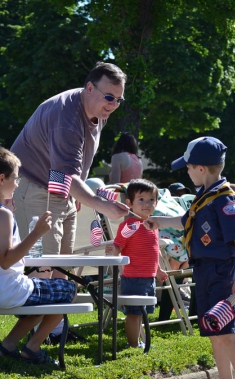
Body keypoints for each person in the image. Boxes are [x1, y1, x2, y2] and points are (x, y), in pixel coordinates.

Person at [11, 61, 130, 340]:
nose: (113, 105)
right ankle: (23, 340)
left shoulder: (97, 107)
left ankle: (56, 331)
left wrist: (73, 194)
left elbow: (73, 166)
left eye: (119, 99)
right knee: (45, 265)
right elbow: (63, 171)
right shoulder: (67, 118)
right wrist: (99, 204)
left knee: (63, 266)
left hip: (58, 188)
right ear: (89, 88)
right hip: (33, 186)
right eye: (109, 97)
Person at [144, 136, 235, 379]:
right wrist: (159, 221)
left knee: (228, 333)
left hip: (223, 273)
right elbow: (187, 219)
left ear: (202, 168)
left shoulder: (225, 198)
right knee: (215, 331)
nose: (186, 170)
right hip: (205, 270)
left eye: (188, 166)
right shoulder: (205, 194)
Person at [0, 147, 76, 365]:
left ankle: (8, 346)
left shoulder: (4, 212)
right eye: (15, 178)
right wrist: (37, 233)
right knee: (68, 289)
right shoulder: (3, 215)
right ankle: (33, 348)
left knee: (42, 293)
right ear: (2, 178)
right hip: (9, 290)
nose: (17, 183)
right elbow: (5, 260)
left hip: (8, 288)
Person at [106, 179, 168, 348]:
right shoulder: (129, 225)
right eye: (141, 199)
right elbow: (118, 246)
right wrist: (113, 258)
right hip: (133, 277)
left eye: (151, 200)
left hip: (149, 278)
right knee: (134, 313)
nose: (146, 204)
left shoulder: (152, 225)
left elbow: (153, 252)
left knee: (142, 312)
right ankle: (133, 344)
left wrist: (159, 270)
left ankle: (138, 342)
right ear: (129, 203)